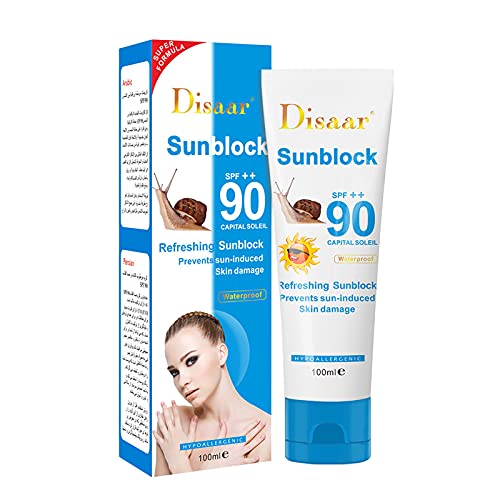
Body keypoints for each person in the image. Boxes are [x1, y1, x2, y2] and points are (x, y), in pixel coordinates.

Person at [154, 311, 271, 475]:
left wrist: (180, 467)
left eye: (191, 361)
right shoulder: (173, 426)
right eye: (175, 372)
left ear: (221, 355)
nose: (182, 381)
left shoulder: (262, 434)